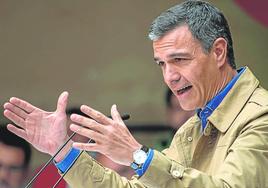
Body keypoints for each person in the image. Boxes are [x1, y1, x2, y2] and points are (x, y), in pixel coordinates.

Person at [3, 0, 268, 187]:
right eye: (162, 64)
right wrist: (63, 153)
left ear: (218, 52)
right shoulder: (194, 127)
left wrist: (137, 156)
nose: (169, 76)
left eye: (180, 59)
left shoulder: (261, 116)